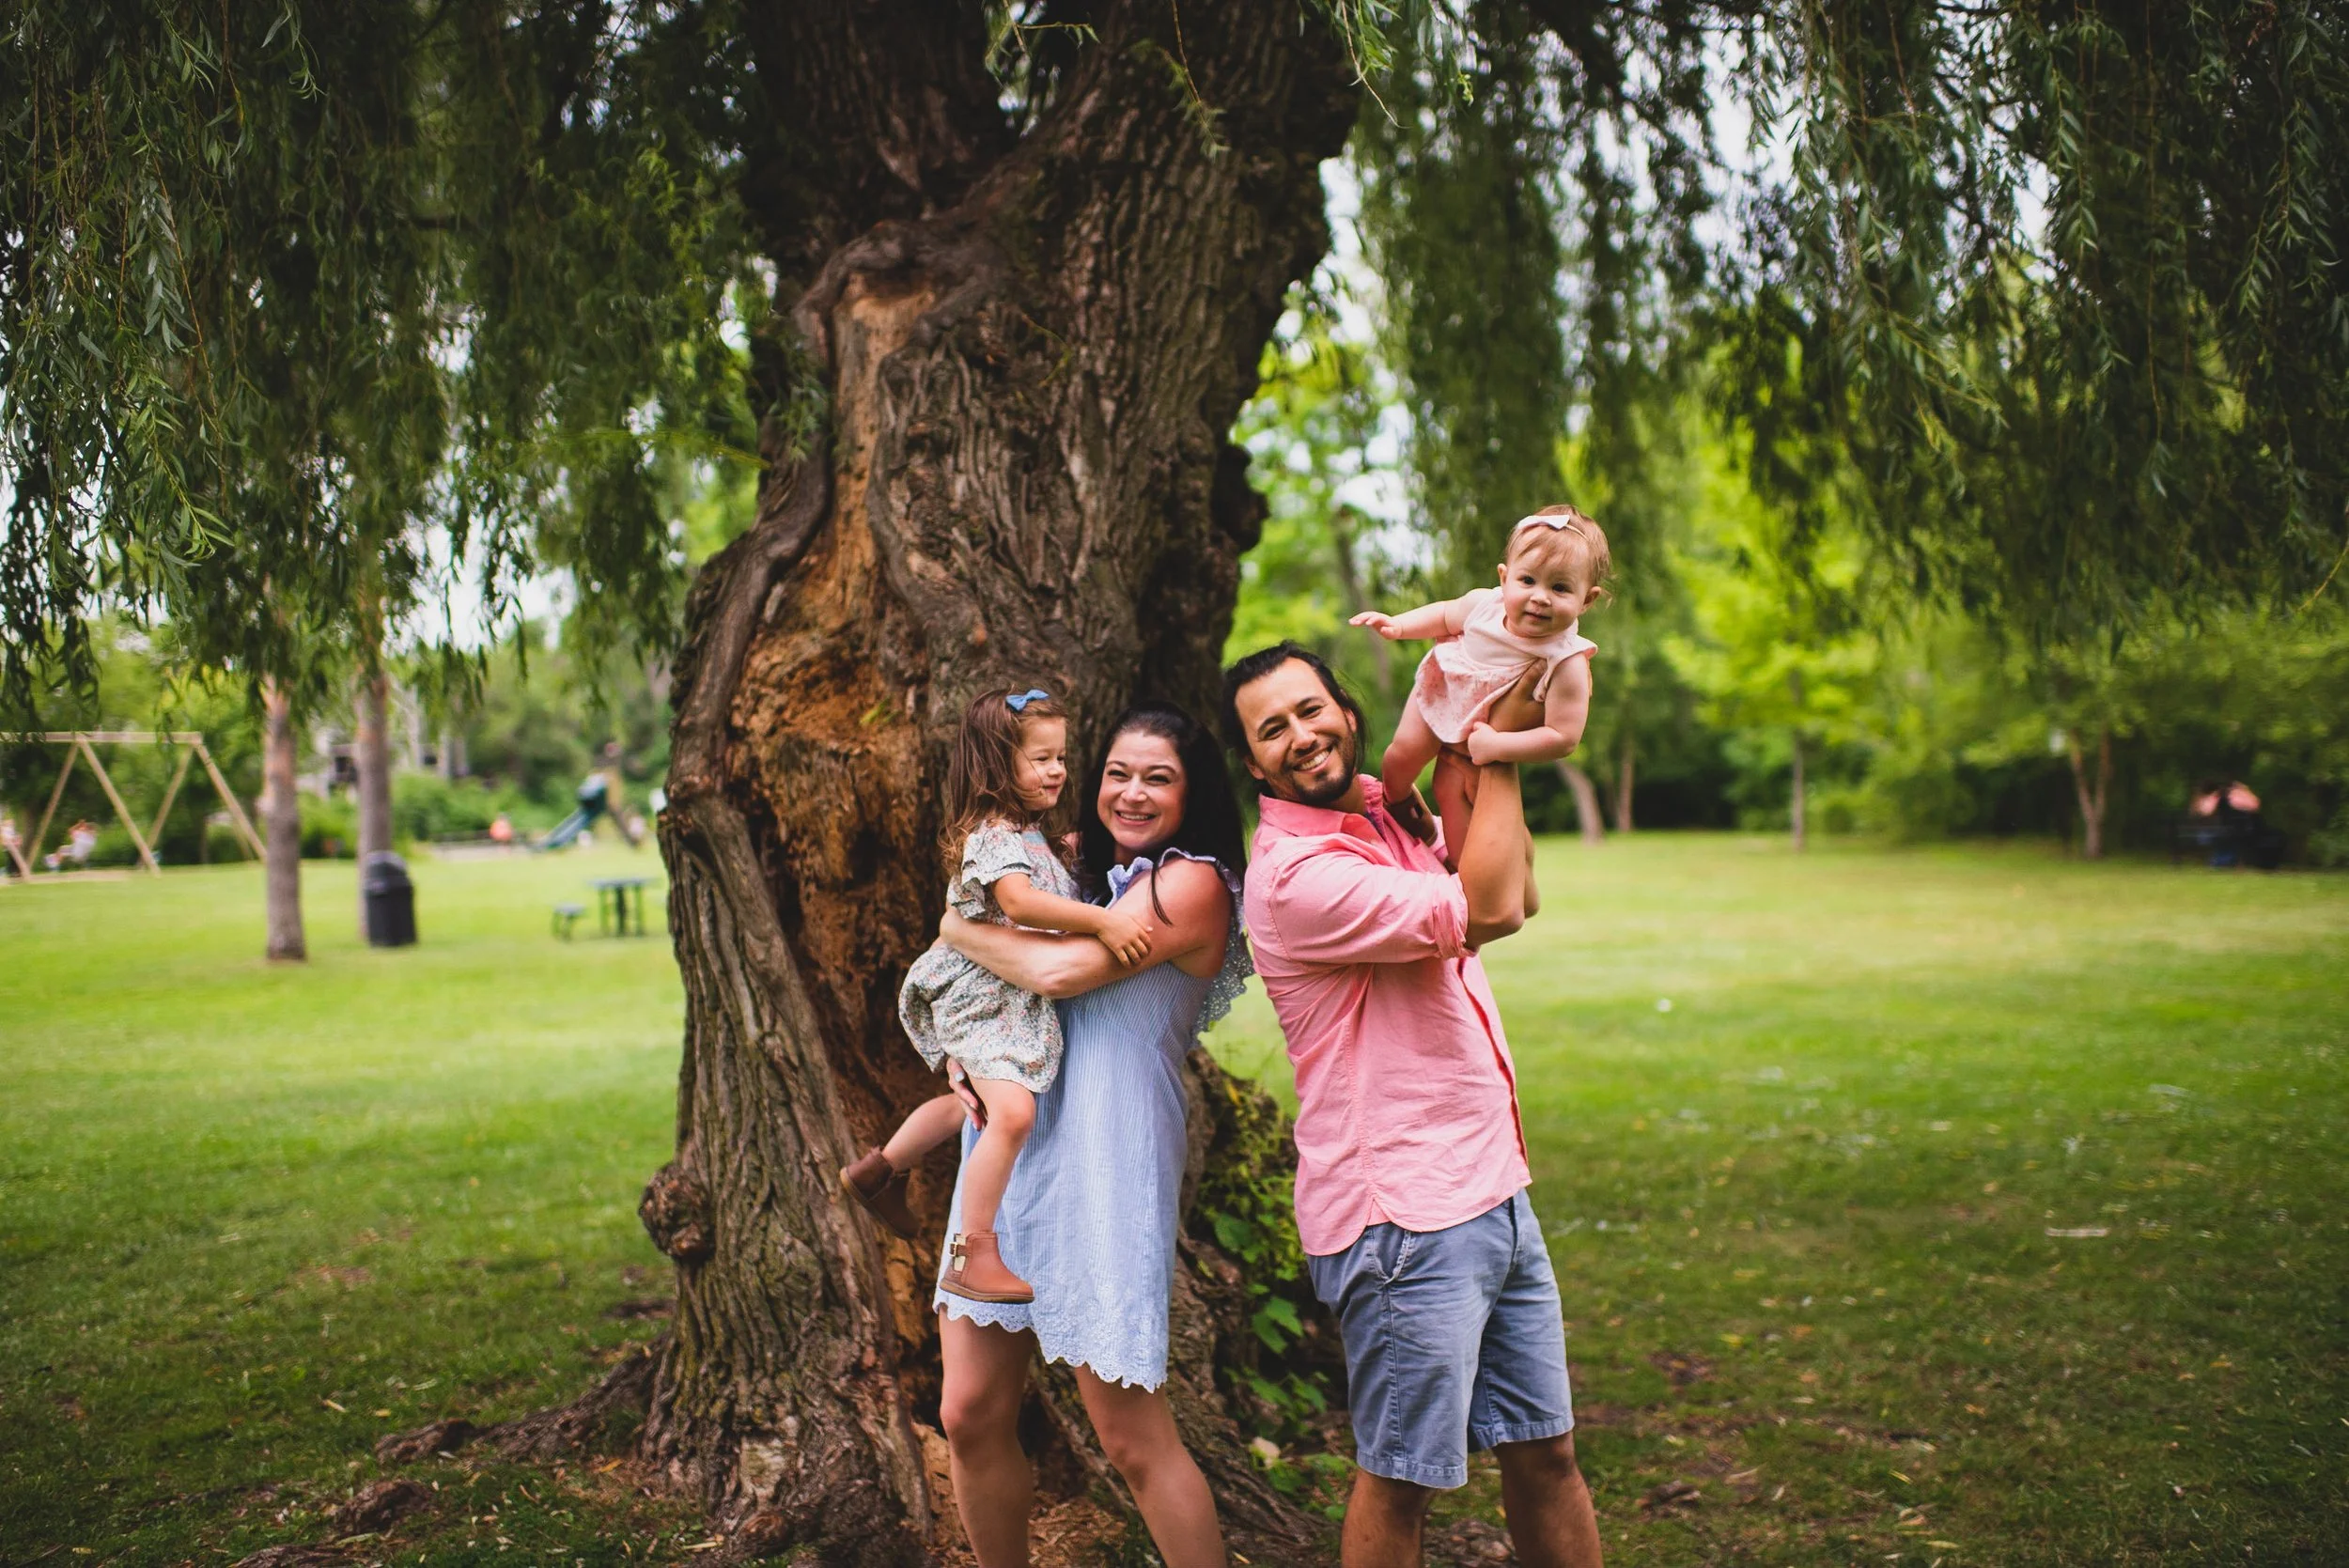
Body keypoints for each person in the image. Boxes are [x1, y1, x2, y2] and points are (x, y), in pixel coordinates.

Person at [1223, 643, 1602, 1568]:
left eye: (1311, 710)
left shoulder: (1383, 813)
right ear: (1254, 765)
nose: (1300, 735)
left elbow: (1518, 886)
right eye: (1271, 729)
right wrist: (1495, 742)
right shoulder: (1295, 875)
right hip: (1403, 1217)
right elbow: (1488, 910)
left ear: (1349, 713)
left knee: (1546, 1450)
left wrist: (1477, 744)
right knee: (1402, 1477)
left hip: (1491, 1184)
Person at [927, 703, 1252, 1568]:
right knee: (968, 1412)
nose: (1132, 792)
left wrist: (955, 927)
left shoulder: (1193, 883)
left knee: (1131, 1436)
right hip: (1013, 1151)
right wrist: (967, 1050)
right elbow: (1005, 986)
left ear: (1193, 793)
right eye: (1118, 772)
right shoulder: (1076, 874)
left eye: (1158, 778)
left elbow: (1057, 970)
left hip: (1108, 1156)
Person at [844, 689, 1155, 1304]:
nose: (1057, 770)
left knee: (980, 1108)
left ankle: (881, 1170)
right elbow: (1020, 903)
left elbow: (1043, 878)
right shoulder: (993, 835)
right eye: (1041, 759)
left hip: (997, 994)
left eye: (1060, 757)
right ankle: (973, 1253)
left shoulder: (1028, 836)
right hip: (980, 992)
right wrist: (1104, 922)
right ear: (995, 765)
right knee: (1013, 1114)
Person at [1352, 506, 1608, 869]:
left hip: (1480, 736)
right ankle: (1394, 806)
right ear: (1504, 578)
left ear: (1587, 599)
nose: (1540, 597)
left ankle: (1459, 871)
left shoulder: (1567, 661)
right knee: (1400, 757)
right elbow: (1444, 615)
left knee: (1452, 793)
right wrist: (1400, 625)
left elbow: (1563, 737)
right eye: (1528, 580)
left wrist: (1499, 745)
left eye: (1560, 587)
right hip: (1444, 688)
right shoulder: (1483, 606)